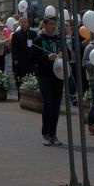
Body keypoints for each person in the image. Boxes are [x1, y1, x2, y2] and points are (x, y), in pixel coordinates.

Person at [30, 15, 64, 146]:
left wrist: (64, 54)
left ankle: (53, 134)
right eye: (50, 23)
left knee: (56, 105)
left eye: (54, 24)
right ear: (44, 25)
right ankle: (45, 134)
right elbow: (32, 59)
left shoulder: (58, 39)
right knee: (48, 103)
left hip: (58, 76)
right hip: (44, 76)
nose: (53, 26)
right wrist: (46, 59)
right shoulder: (39, 40)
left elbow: (69, 54)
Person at [11, 16, 37, 98]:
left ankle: (30, 95)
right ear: (19, 24)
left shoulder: (33, 34)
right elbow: (14, 48)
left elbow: (36, 46)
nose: (23, 23)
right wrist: (15, 59)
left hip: (31, 59)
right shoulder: (16, 35)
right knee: (21, 77)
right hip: (21, 59)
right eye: (21, 22)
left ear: (28, 23)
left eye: (25, 22)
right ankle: (21, 96)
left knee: (31, 76)